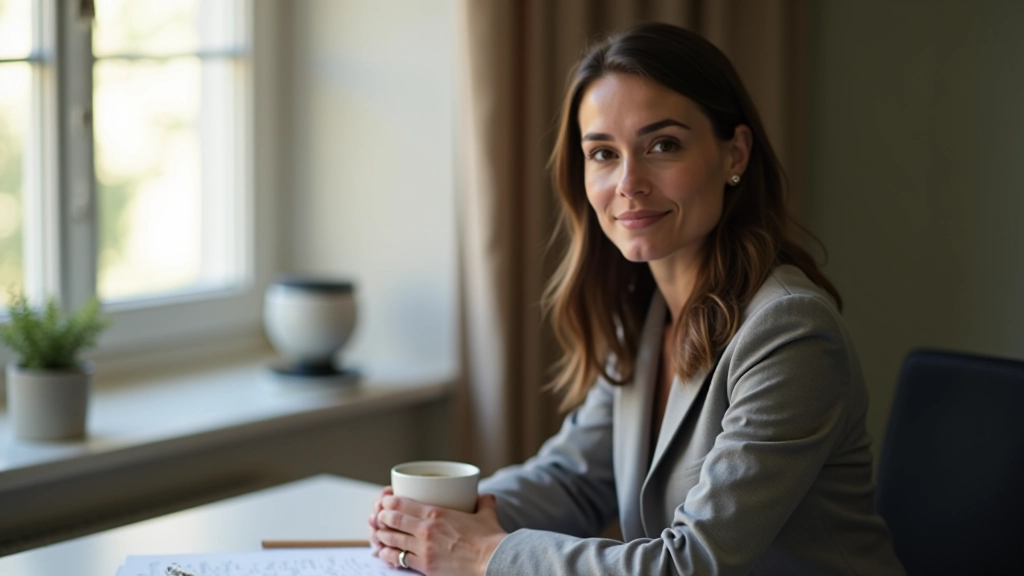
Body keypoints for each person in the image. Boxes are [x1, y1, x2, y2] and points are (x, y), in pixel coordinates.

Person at [369, 22, 905, 575]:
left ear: (734, 154)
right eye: (602, 153)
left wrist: (481, 553)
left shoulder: (790, 332)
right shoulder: (644, 317)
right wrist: (434, 517)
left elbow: (690, 564)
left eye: (663, 145)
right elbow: (574, 480)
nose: (629, 182)